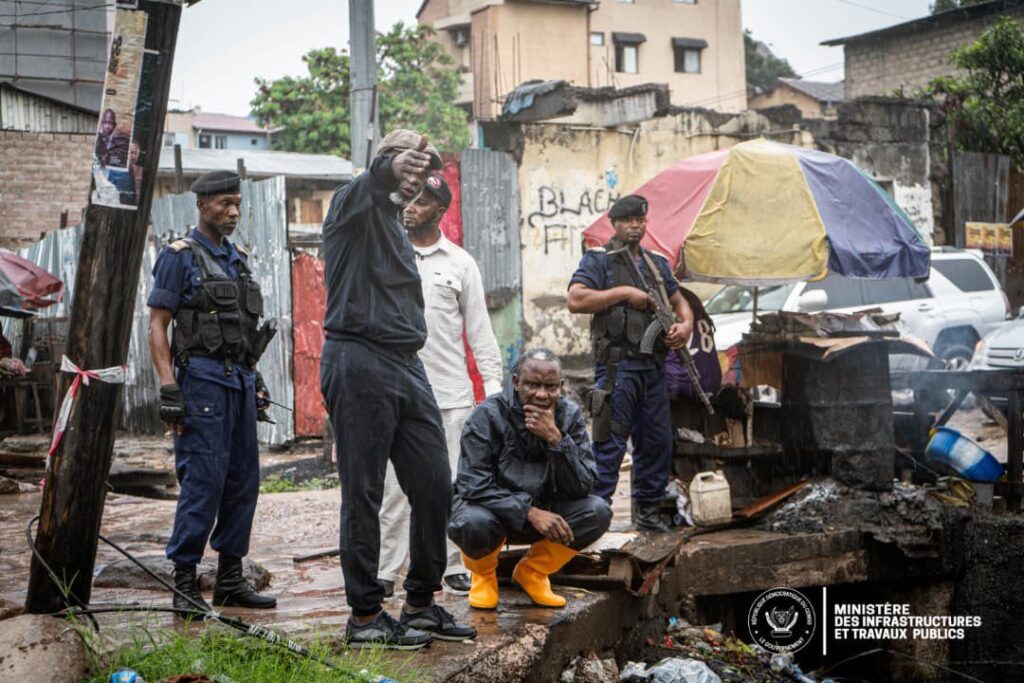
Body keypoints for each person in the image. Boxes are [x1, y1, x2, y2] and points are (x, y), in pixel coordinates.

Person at [320, 130, 476, 650]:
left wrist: (408, 169)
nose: (415, 173)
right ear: (386, 161)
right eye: (407, 158)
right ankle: (364, 616)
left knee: (435, 484)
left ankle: (421, 603)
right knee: (363, 491)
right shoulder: (353, 203)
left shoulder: (396, 223)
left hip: (407, 365)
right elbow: (375, 178)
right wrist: (390, 166)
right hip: (358, 358)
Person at [147, 171, 276, 614]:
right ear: (201, 204)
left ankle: (229, 580)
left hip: (239, 382)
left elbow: (243, 329)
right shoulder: (178, 257)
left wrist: (255, 379)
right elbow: (157, 325)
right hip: (200, 383)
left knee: (244, 482)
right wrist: (168, 386)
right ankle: (185, 584)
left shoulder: (237, 258)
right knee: (203, 482)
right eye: (224, 203)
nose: (234, 211)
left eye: (237, 203)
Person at [377, 173, 504, 599]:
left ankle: (452, 564)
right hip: (396, 392)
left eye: (422, 200)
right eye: (407, 199)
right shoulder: (388, 255)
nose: (410, 206)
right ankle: (386, 570)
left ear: (441, 209)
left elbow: (480, 332)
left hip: (450, 397)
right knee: (394, 491)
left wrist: (494, 393)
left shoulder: (460, 263)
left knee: (450, 485)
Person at [567, 194, 694, 532]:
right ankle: (597, 516)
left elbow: (681, 302)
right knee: (609, 442)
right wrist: (623, 293)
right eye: (627, 221)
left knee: (656, 442)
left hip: (653, 369)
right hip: (617, 369)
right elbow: (576, 300)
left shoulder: (656, 264)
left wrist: (685, 326)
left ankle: (649, 515)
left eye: (640, 221)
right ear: (616, 224)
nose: (635, 226)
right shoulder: (599, 262)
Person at [448, 348, 611, 610]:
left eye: (550, 387)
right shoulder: (487, 415)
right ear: (515, 382)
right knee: (470, 522)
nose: (542, 395)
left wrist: (557, 440)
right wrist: (528, 511)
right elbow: (472, 485)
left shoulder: (569, 416)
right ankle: (484, 574)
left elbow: (584, 485)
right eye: (532, 385)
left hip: (546, 516)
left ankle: (532, 572)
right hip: (494, 517)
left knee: (598, 511)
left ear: (561, 386)